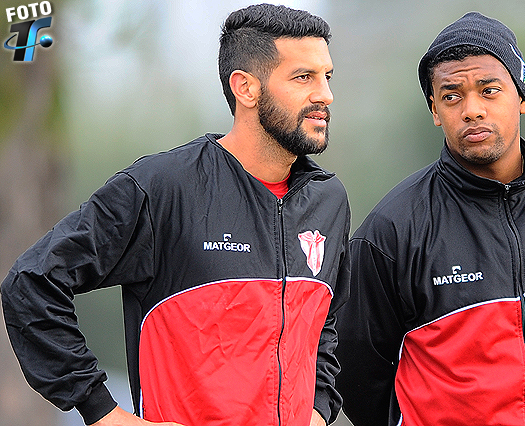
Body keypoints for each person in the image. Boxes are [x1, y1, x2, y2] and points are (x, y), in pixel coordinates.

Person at [1, 4, 350, 426]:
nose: (325, 95)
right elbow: (32, 283)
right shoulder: (162, 188)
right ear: (245, 88)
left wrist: (318, 410)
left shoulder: (328, 201)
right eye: (303, 77)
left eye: (327, 76)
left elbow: (325, 324)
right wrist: (104, 413)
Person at [335, 11, 525, 426]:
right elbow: (357, 370)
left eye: (489, 90)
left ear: (522, 96)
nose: (472, 110)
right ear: (435, 110)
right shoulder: (393, 230)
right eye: (451, 96)